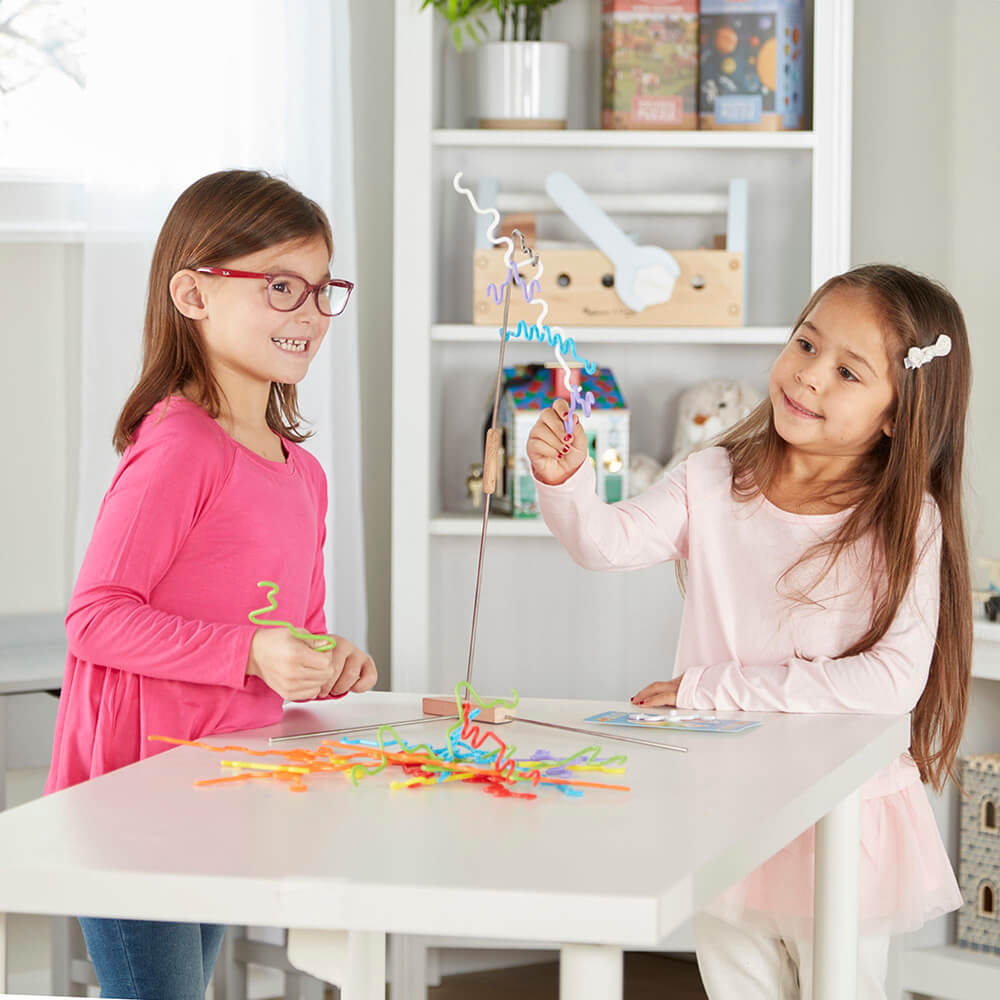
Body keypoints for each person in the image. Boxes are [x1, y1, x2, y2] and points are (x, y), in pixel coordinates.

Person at [527, 264, 972, 999]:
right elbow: (605, 543)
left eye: (848, 371)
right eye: (805, 344)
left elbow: (891, 682)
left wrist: (711, 690)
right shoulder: (710, 477)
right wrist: (565, 482)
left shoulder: (903, 520)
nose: (809, 378)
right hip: (727, 801)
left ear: (898, 413)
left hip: (841, 814)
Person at [45, 169, 376, 999]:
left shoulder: (305, 476)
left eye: (318, 289)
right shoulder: (180, 448)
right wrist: (254, 650)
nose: (305, 312)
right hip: (131, 799)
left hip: (226, 786)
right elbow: (95, 619)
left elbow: (294, 627)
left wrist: (327, 660)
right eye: (277, 286)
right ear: (192, 292)